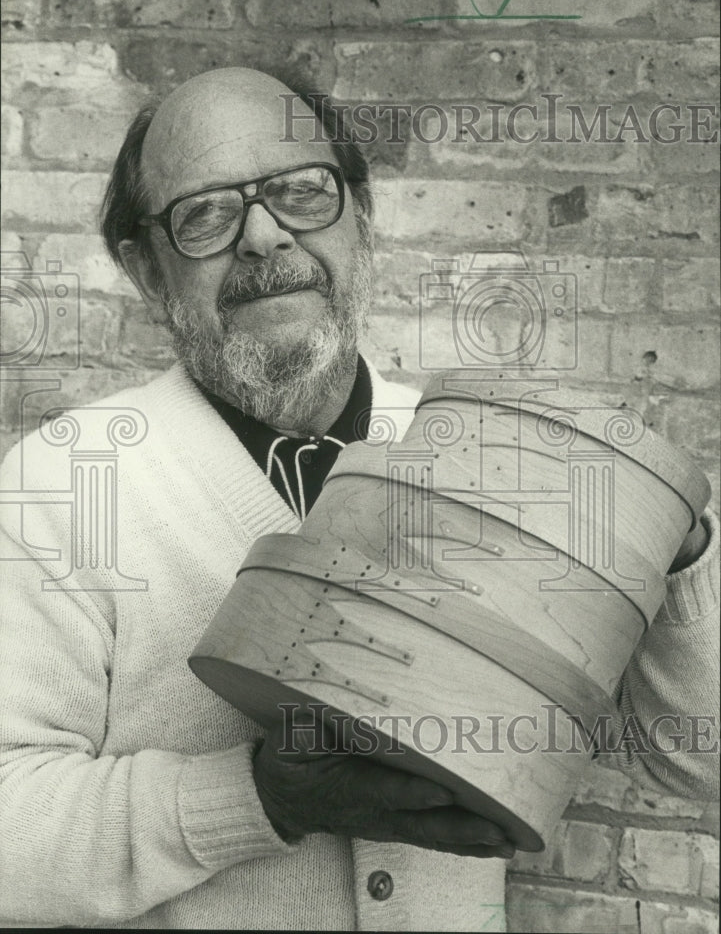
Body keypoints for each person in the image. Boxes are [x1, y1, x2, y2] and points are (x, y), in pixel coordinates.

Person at [0, 67, 718, 932]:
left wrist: (669, 543)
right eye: (206, 215)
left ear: (362, 218)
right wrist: (260, 796)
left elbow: (694, 764)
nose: (265, 237)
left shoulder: (475, 456)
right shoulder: (62, 486)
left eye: (303, 191)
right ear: (146, 270)